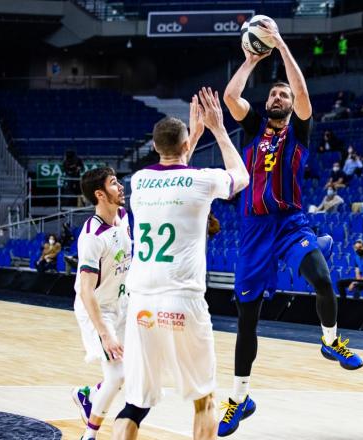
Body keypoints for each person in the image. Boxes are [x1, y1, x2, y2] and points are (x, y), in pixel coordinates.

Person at [220, 22, 363, 437]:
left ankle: (331, 340)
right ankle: (239, 398)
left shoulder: (299, 129)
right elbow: (231, 97)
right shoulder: (253, 129)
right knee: (248, 321)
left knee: (321, 278)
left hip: (290, 221)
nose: (279, 97)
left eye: (283, 94)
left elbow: (302, 94)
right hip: (254, 229)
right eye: (274, 94)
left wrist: (280, 43)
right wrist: (249, 62)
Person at [111, 89, 249, 440]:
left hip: (141, 303)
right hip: (182, 300)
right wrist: (217, 129)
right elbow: (241, 175)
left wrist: (190, 135)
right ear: (187, 145)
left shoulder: (139, 182)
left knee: (135, 404)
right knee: (204, 400)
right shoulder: (202, 179)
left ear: (155, 147)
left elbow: (174, 171)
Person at [71, 167, 131, 440]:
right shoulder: (92, 236)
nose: (120, 187)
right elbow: (86, 291)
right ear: (100, 194)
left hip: (122, 304)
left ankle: (90, 394)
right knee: (117, 375)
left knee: (133, 370)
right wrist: (105, 334)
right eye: (114, 183)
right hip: (96, 309)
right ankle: (89, 435)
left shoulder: (124, 218)